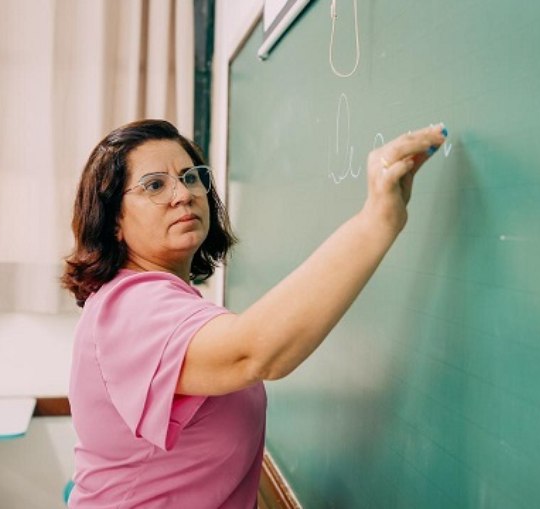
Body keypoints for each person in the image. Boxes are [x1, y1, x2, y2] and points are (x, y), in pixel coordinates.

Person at [62, 118, 447, 508]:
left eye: (191, 177)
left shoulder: (165, 299)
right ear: (114, 223)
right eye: (155, 185)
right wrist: (377, 221)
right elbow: (254, 352)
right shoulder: (132, 307)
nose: (183, 194)